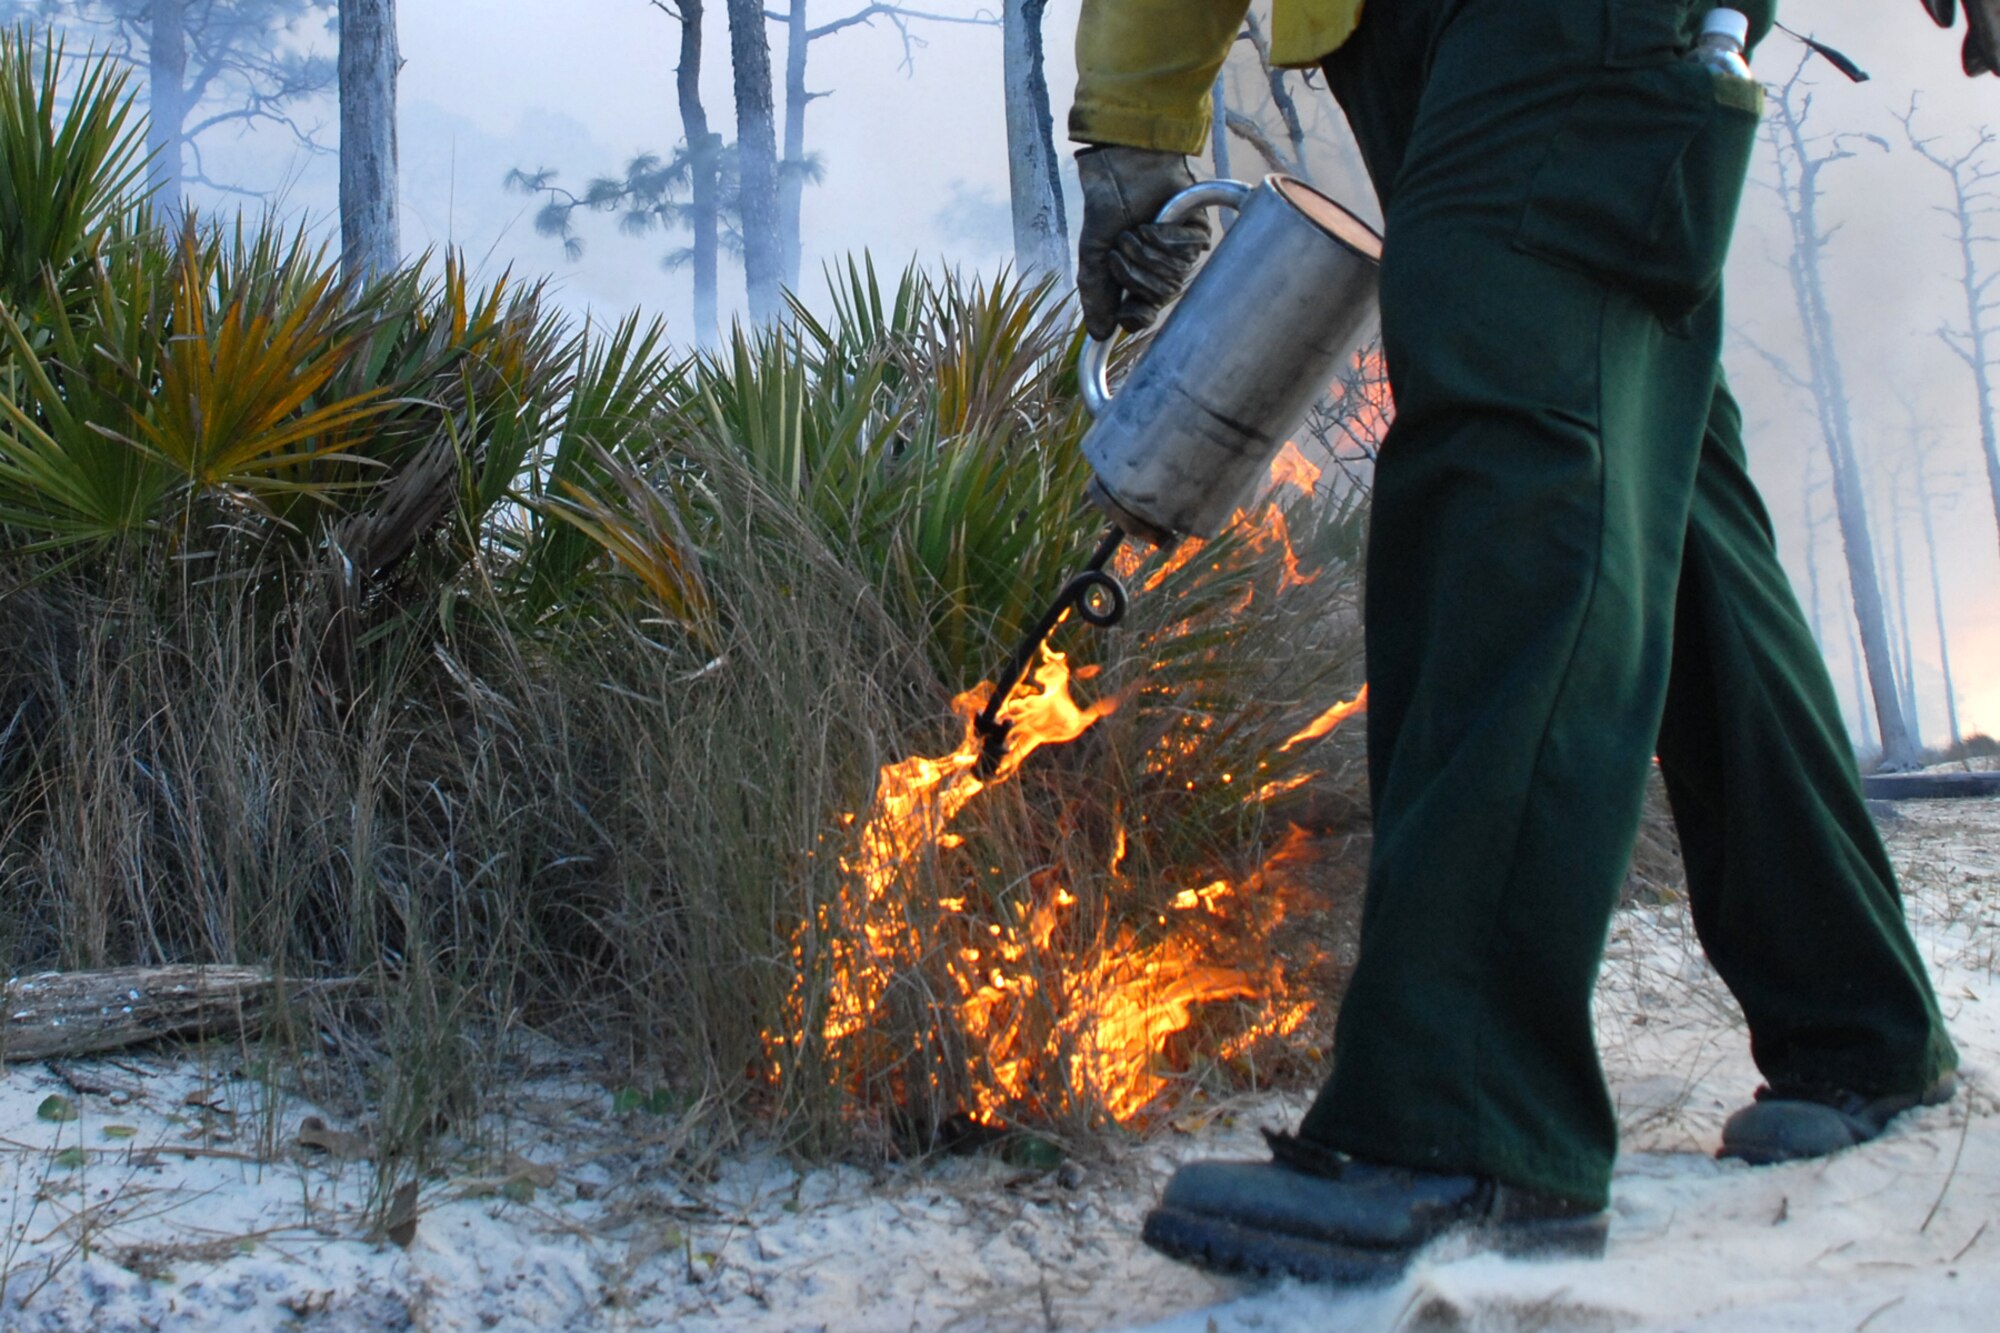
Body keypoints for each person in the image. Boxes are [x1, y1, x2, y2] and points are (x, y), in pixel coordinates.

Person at [1069, 0, 1977, 1285]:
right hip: (1412, 45)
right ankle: (1856, 1017)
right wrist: (1130, 112)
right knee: (1647, 471)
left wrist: (1131, 116)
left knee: (1512, 465)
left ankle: (1467, 1114)